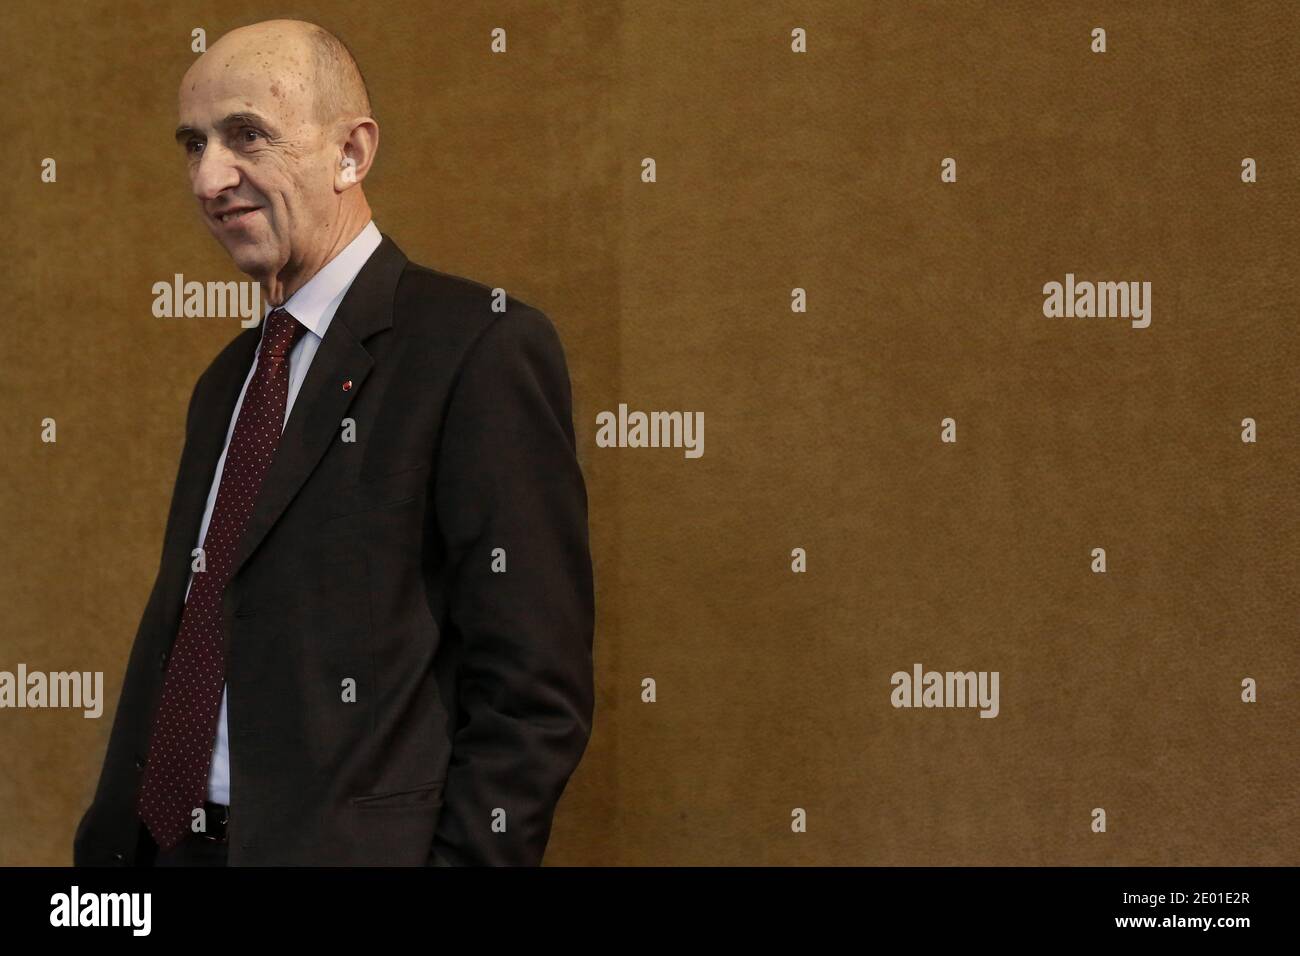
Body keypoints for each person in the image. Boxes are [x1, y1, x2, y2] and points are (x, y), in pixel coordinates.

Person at [73, 18, 595, 866]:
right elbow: (189, 633)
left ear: (351, 153)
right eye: (192, 143)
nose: (209, 178)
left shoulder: (479, 348)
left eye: (246, 135)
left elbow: (535, 692)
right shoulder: (225, 384)